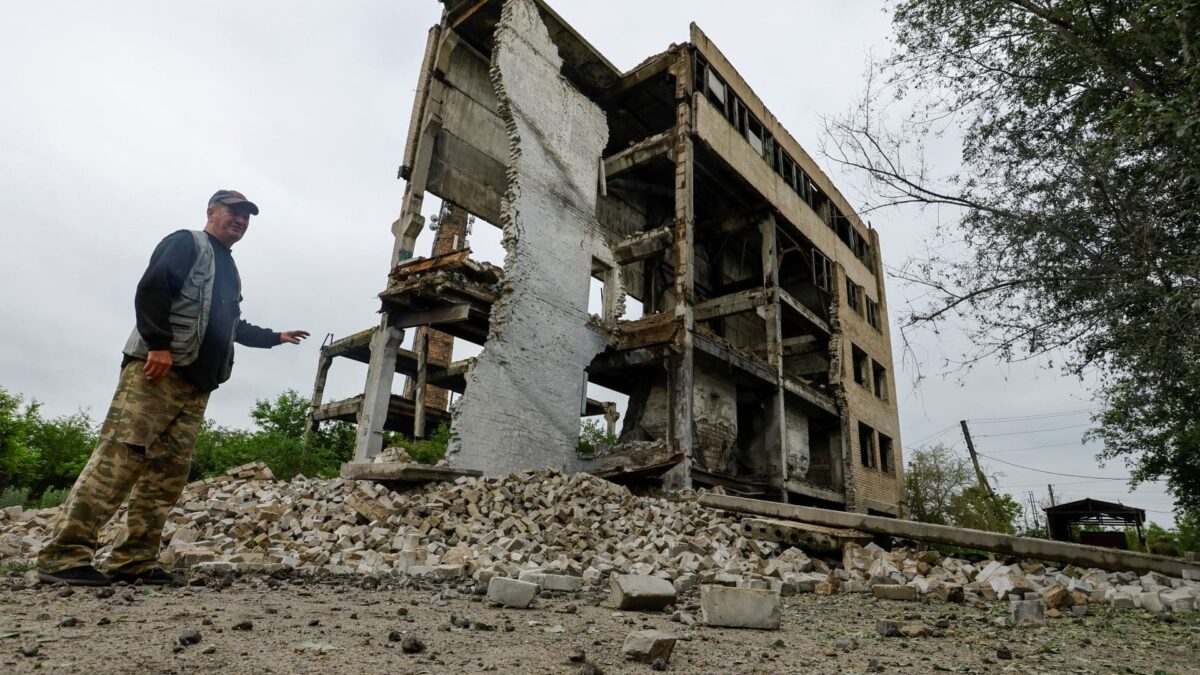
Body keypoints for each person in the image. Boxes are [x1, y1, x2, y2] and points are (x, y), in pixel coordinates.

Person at [36, 190, 309, 586]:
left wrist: (274, 337)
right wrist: (159, 345)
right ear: (211, 211)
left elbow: (229, 324)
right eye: (233, 211)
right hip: (157, 371)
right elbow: (153, 289)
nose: (240, 219)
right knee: (119, 459)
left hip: (196, 385)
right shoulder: (187, 243)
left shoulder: (229, 268)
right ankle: (63, 556)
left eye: (247, 215)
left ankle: (133, 560)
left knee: (167, 474)